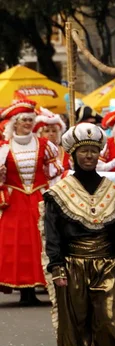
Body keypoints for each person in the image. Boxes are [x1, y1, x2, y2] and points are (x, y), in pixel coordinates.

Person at [43, 123, 115, 346]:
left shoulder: (113, 191)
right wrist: (56, 266)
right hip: (73, 265)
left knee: (111, 323)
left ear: (99, 154)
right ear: (73, 154)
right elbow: (53, 233)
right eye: (83, 151)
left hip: (107, 263)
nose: (88, 156)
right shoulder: (59, 193)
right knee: (79, 323)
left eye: (93, 151)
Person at [0, 98, 62, 305]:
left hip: (39, 197)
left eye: (30, 119)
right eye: (23, 119)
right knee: (18, 244)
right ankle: (24, 290)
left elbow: (55, 174)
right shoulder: (3, 147)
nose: (28, 123)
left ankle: (38, 286)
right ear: (14, 123)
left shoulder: (45, 145)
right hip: (15, 200)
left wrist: (54, 195)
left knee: (40, 242)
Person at [35, 107, 71, 174]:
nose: (51, 134)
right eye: (47, 131)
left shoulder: (67, 151)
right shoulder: (35, 153)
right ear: (39, 134)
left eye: (54, 131)